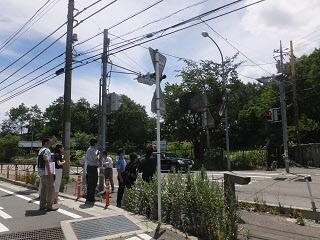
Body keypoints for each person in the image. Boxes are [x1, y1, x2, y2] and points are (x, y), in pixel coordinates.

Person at [38, 137, 58, 211]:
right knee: (51, 188)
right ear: (46, 143)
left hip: (41, 171)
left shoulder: (41, 150)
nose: (51, 143)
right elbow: (47, 161)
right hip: (46, 172)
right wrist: (50, 173)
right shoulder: (47, 150)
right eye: (50, 142)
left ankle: (42, 205)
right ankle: (49, 205)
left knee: (44, 189)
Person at [85, 138, 100, 205]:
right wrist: (99, 154)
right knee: (93, 183)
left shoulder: (89, 149)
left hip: (89, 167)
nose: (98, 144)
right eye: (97, 143)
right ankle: (91, 199)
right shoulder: (93, 150)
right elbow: (95, 158)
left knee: (90, 183)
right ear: (94, 143)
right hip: (92, 167)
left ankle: (88, 198)